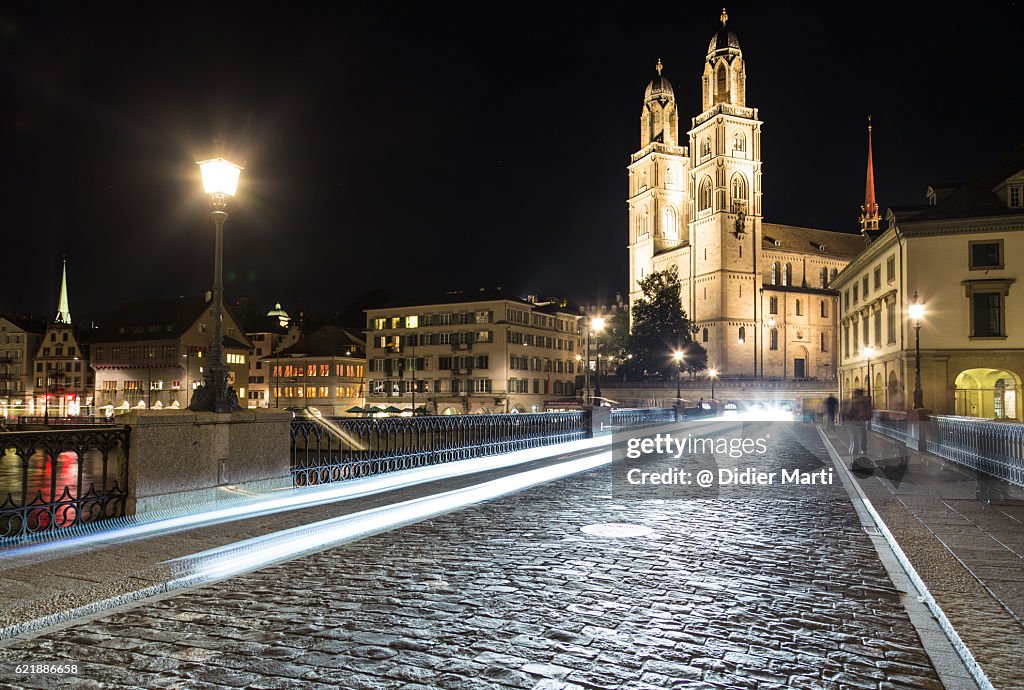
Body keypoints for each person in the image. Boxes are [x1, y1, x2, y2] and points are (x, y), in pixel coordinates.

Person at [846, 389, 872, 455]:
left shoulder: (852, 401)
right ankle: (863, 449)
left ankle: (855, 451)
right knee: (862, 435)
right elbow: (869, 411)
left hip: (853, 422)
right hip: (861, 421)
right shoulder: (864, 401)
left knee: (854, 437)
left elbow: (848, 411)